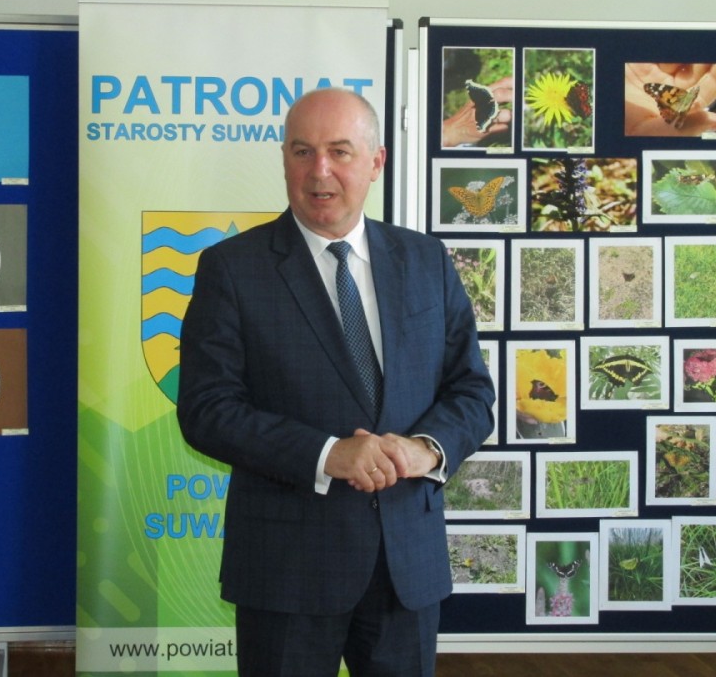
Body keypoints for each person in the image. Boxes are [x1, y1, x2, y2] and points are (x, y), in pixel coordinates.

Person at [177, 87, 496, 677]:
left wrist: (424, 449)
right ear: (284, 160)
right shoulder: (232, 269)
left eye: (340, 152)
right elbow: (207, 409)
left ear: (376, 162)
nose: (319, 171)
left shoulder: (426, 261)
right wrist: (328, 455)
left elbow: (472, 392)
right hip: (287, 570)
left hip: (406, 566)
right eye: (302, 152)